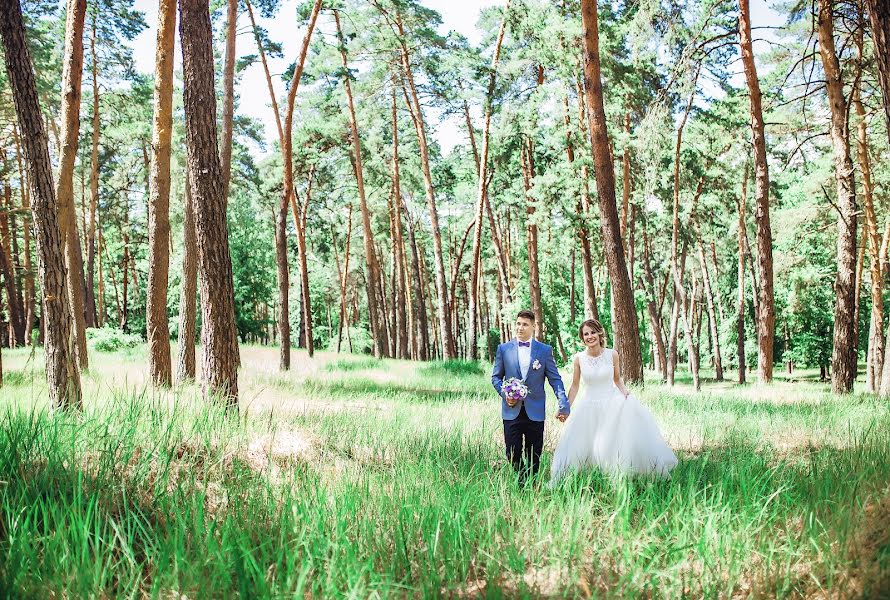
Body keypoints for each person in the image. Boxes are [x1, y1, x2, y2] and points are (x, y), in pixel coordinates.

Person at [550, 318, 677, 484]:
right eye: (586, 334)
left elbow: (617, 380)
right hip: (588, 405)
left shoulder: (612, 354)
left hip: (611, 403)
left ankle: (617, 475)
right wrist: (565, 407)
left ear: (599, 333)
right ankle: (585, 476)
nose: (590, 336)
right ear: (582, 338)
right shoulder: (579, 358)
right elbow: (575, 387)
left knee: (613, 441)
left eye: (592, 332)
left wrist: (626, 394)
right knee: (583, 443)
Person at [491, 310, 569, 483]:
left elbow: (555, 379)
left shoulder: (544, 350)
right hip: (511, 409)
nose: (520, 327)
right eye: (518, 323)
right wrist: (505, 394)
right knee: (512, 451)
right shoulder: (503, 349)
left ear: (533, 327)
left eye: (525, 324)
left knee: (534, 453)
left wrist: (563, 402)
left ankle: (531, 484)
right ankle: (521, 479)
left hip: (535, 410)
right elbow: (495, 377)